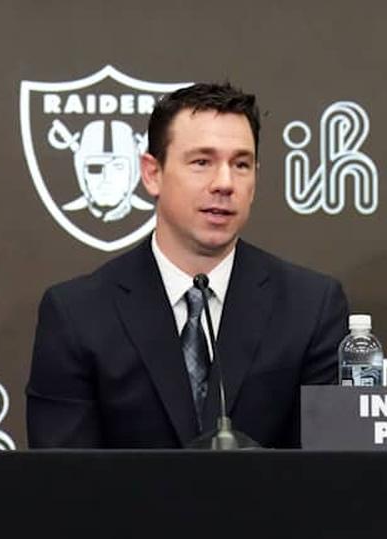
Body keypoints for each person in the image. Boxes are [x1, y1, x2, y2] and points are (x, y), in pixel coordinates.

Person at [27, 82, 348, 448]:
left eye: (241, 164)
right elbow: (62, 483)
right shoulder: (78, 314)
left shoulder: (311, 306)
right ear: (152, 173)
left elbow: (331, 473)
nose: (225, 183)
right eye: (202, 162)